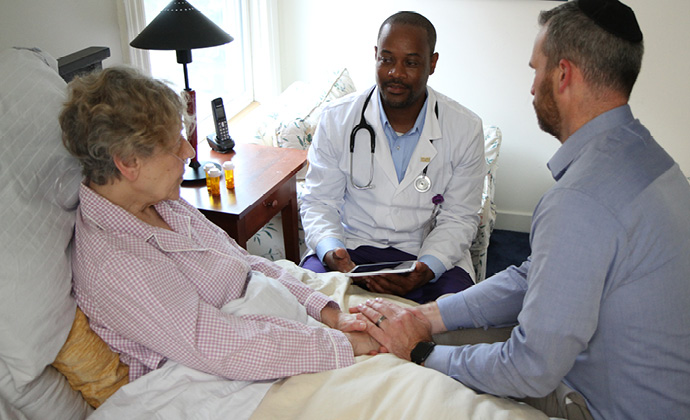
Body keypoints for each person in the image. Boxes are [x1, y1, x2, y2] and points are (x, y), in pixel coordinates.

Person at [352, 1, 690, 419]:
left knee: (404, 376)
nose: (532, 88)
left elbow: (530, 369)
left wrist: (420, 352)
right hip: (656, 388)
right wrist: (428, 317)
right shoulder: (653, 162)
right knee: (444, 335)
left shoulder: (581, 200)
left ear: (563, 75)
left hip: (601, 407)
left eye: (536, 70)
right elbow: (534, 275)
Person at [58, 66, 381, 383]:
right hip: (218, 376)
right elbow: (219, 346)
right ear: (128, 162)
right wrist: (342, 344)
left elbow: (243, 261)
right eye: (174, 145)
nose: (187, 152)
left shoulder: (163, 204)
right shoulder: (114, 262)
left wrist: (328, 313)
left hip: (274, 325)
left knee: (389, 328)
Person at [300, 11, 486, 304]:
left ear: (432, 64)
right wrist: (333, 252)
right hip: (352, 246)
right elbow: (319, 202)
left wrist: (426, 268)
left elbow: (460, 217)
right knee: (305, 299)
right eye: (386, 59)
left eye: (411, 62)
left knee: (458, 314)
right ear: (375, 56)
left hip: (422, 250)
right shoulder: (337, 118)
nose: (395, 73)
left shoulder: (465, 128)